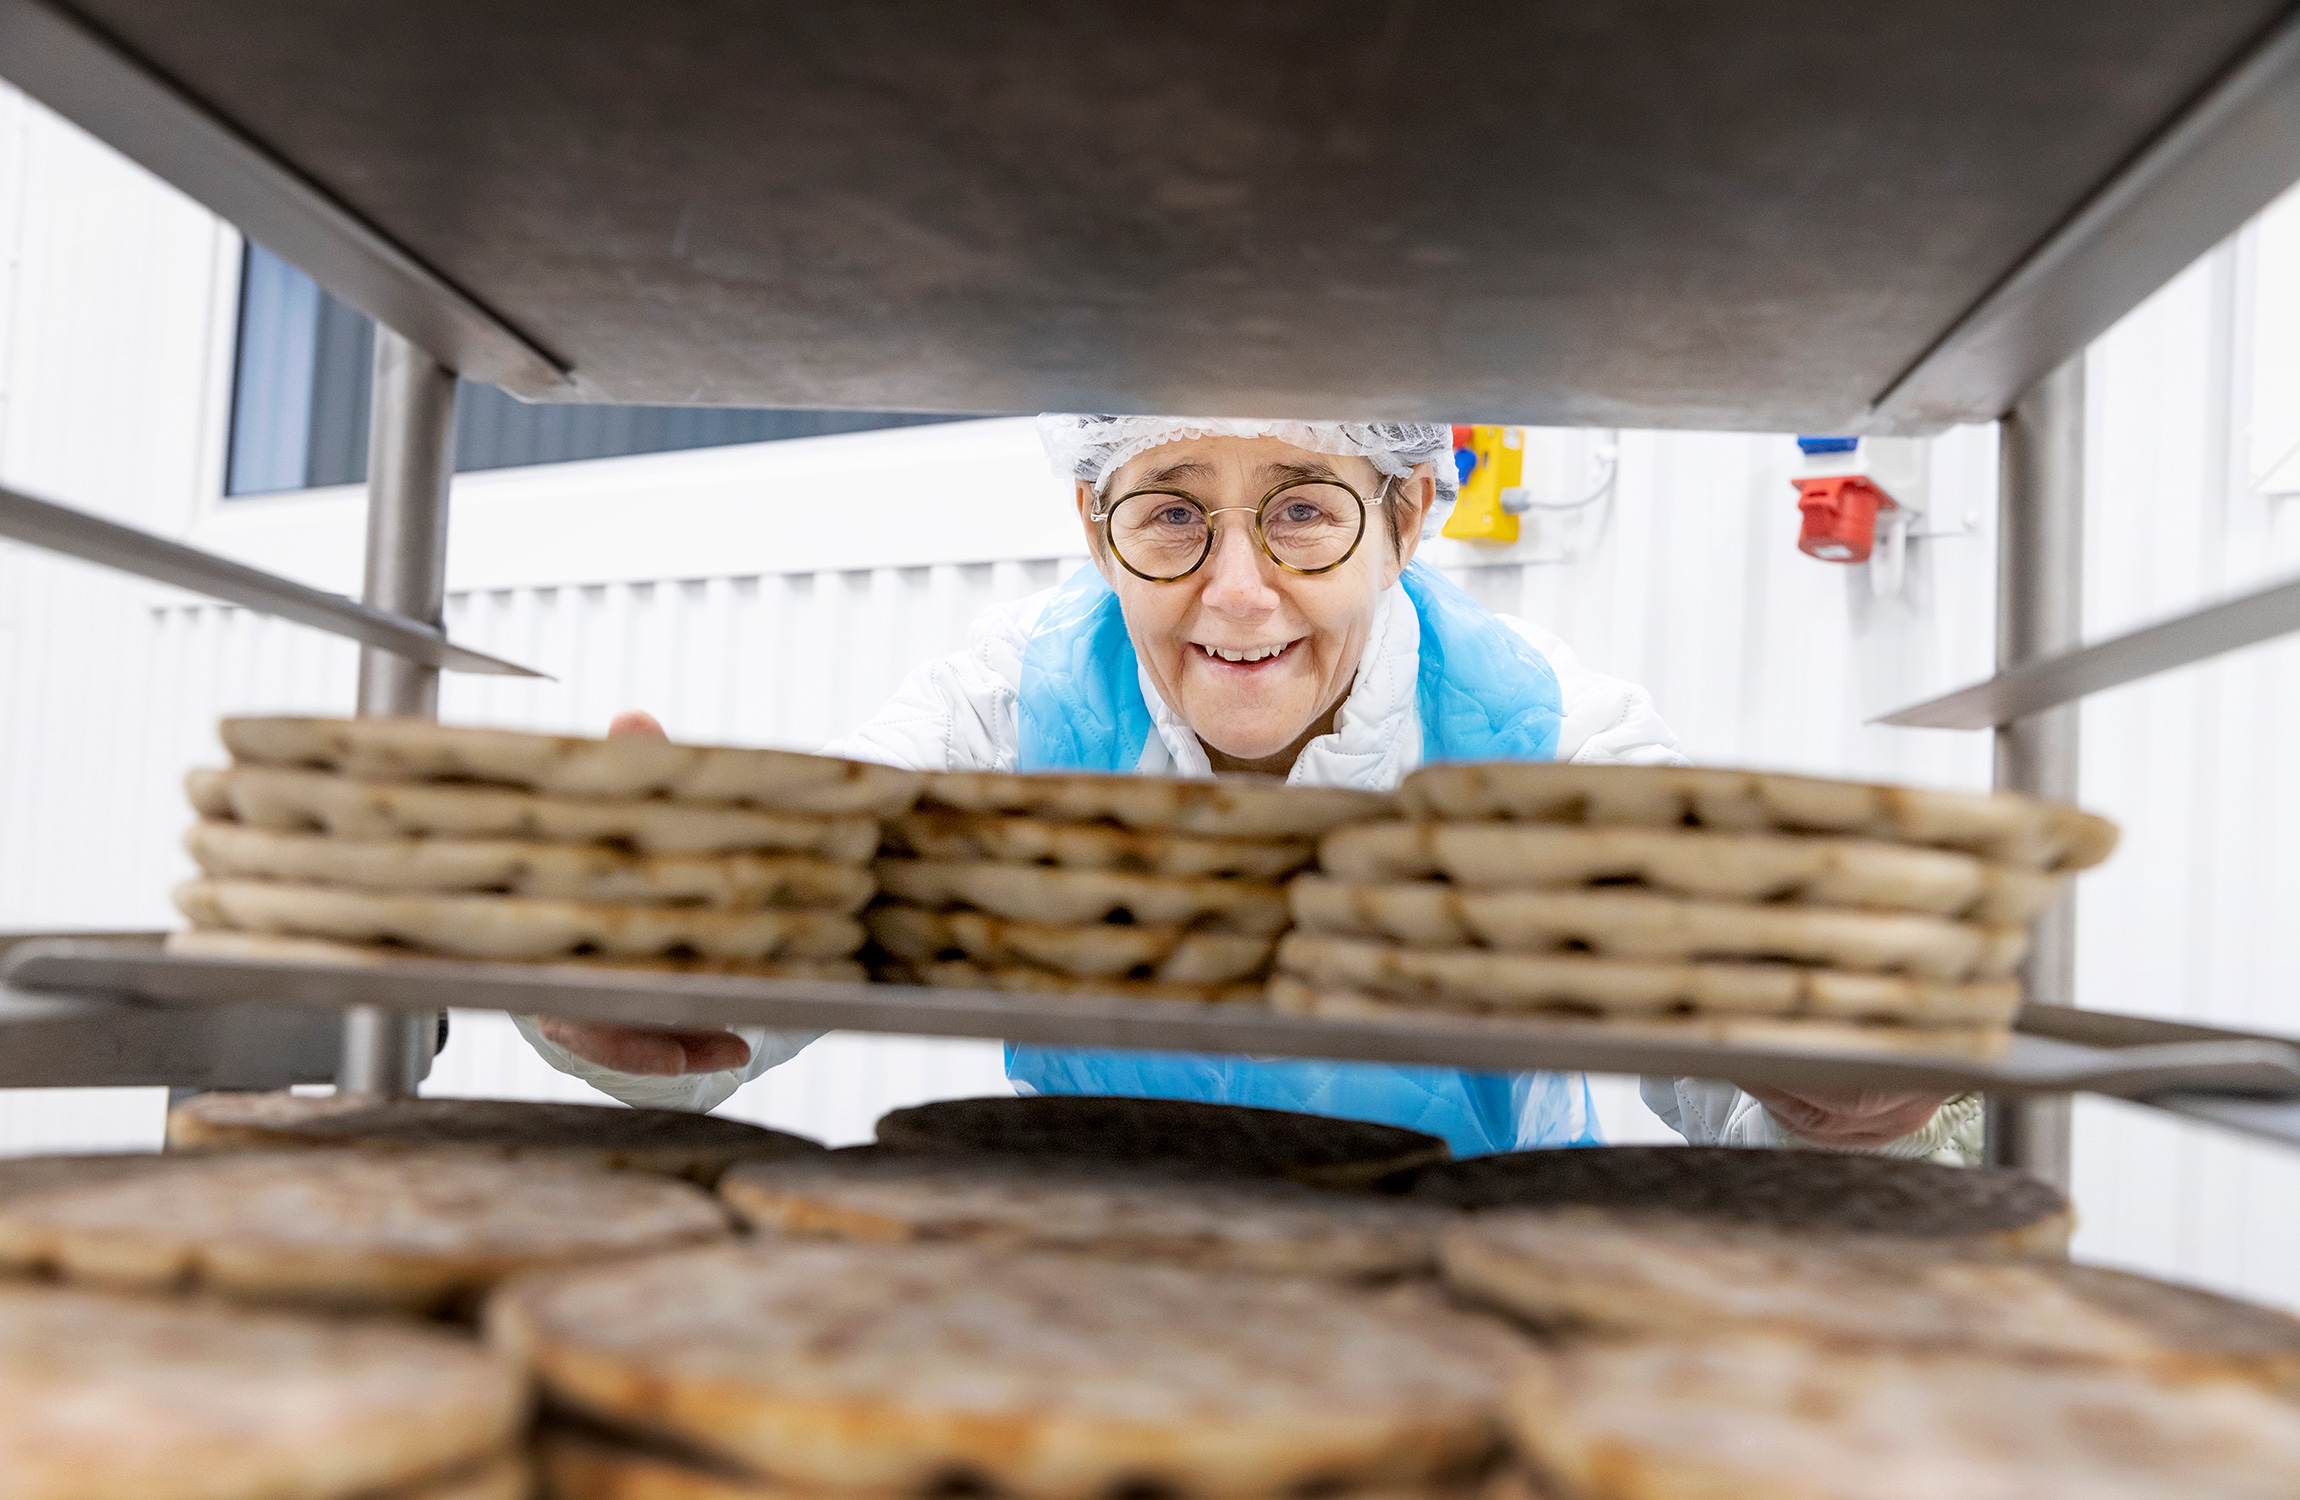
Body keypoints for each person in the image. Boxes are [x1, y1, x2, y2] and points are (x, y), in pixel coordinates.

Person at [518, 416, 1968, 1160]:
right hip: (1104, 1352)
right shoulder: (1006, 710)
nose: (1235, 593)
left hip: (1456, 1356)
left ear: (1408, 511)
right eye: (1168, 512)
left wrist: (1855, 1092)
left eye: (1298, 509)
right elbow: (776, 960)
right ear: (1095, 522)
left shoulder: (1557, 742)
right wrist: (635, 983)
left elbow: (1757, 1085)